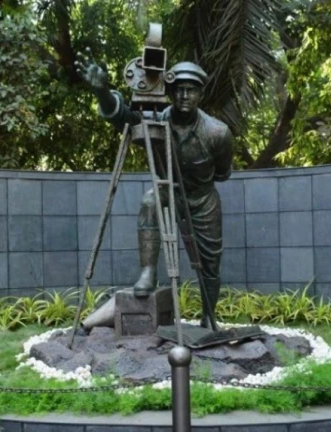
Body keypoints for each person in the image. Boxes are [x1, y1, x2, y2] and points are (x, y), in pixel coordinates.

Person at [75, 51, 233, 330]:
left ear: (200, 94)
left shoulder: (217, 133)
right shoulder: (157, 120)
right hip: (168, 191)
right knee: (150, 199)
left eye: (191, 90)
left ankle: (209, 317)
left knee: (210, 265)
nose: (184, 96)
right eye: (179, 90)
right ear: (170, 93)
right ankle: (148, 272)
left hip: (202, 200)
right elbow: (124, 117)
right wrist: (102, 93)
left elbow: (222, 173)